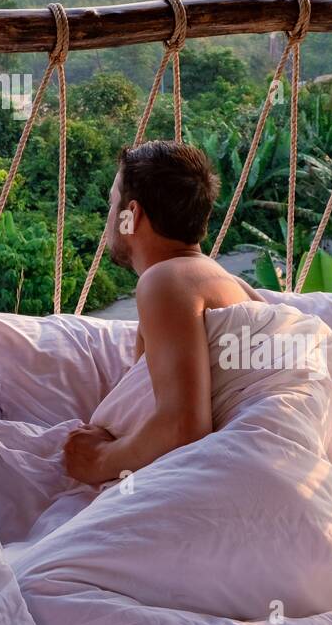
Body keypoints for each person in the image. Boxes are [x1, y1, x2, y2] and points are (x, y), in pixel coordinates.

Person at [63, 139, 265, 486]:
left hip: (236, 477)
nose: (108, 218)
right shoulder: (227, 283)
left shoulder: (165, 281)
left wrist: (97, 461)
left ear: (133, 215)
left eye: (113, 205)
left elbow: (183, 426)